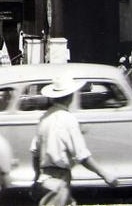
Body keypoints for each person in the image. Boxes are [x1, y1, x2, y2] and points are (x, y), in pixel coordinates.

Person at [31, 74, 118, 205]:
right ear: (70, 96)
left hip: (45, 179)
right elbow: (82, 156)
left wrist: (37, 176)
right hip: (60, 179)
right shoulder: (69, 120)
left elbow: (35, 152)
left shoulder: (44, 118)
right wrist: (105, 174)